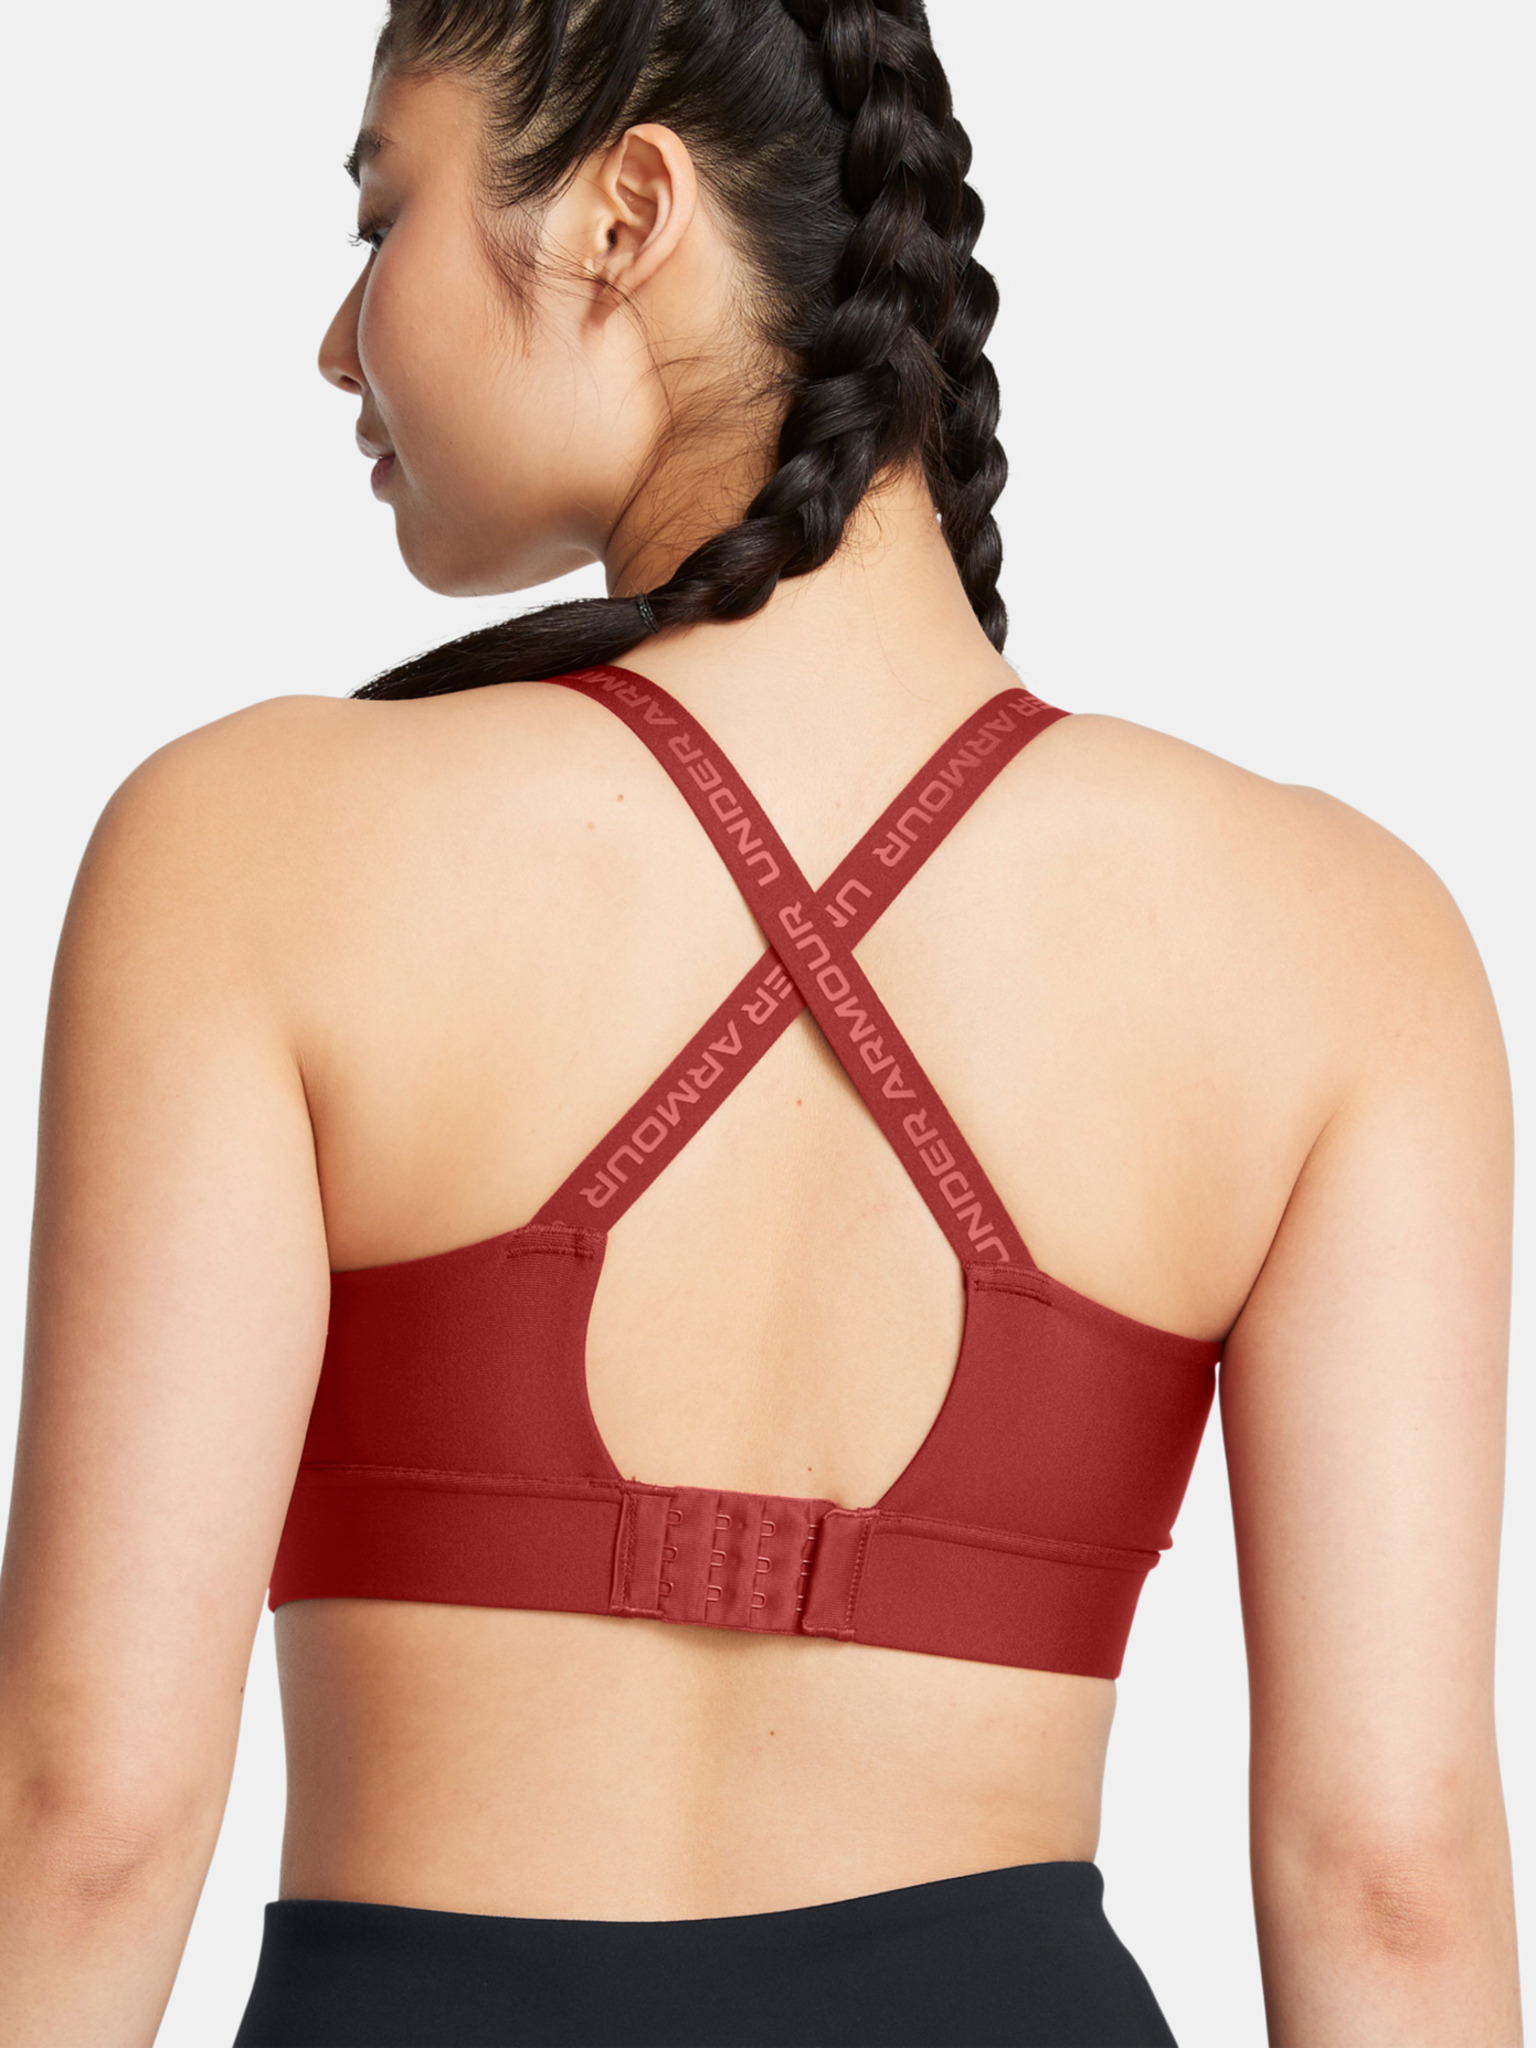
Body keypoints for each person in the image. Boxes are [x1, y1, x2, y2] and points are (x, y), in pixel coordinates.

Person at [0, 1, 1520, 2043]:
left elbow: (84, 1817)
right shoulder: (1339, 941)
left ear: (626, 211)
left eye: (380, 221)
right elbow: (1391, 1879)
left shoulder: (248, 851)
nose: (340, 342)